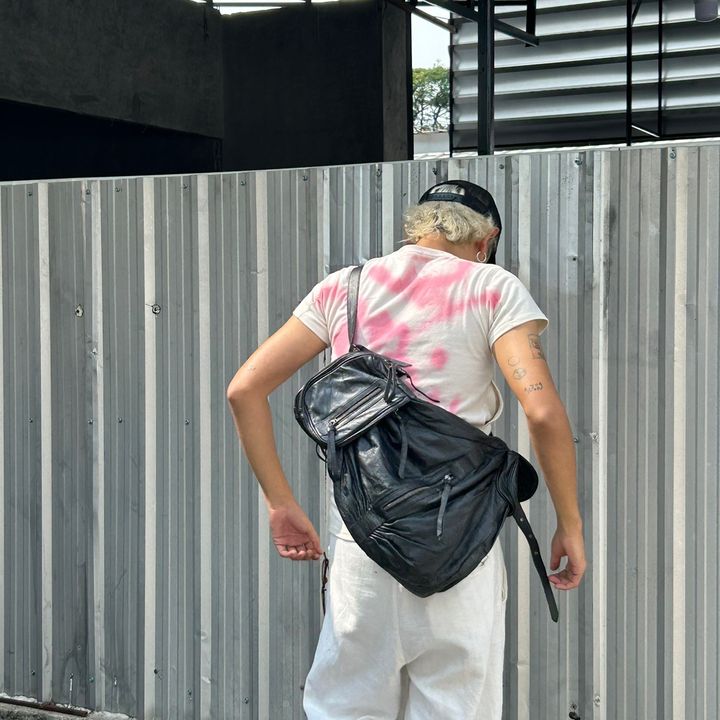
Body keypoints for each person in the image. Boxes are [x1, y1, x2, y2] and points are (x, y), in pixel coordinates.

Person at [226, 180, 586, 719]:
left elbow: (243, 389)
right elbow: (542, 412)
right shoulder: (492, 286)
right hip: (458, 543)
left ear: (417, 227)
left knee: (345, 708)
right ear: (486, 241)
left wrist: (281, 504)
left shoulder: (343, 288)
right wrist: (569, 524)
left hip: (363, 542)